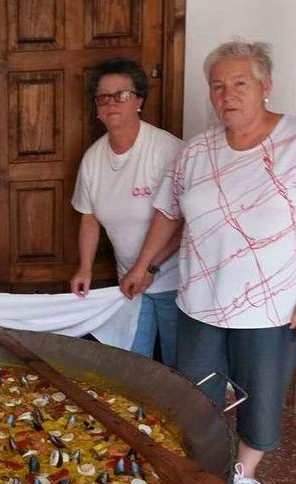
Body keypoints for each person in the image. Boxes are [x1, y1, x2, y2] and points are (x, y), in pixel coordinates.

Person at [120, 41, 296, 484]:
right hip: (200, 302)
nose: (228, 94)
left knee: (260, 396)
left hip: (273, 308)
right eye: (218, 86)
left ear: (266, 85)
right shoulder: (197, 150)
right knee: (195, 395)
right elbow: (169, 212)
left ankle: (242, 475)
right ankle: (203, 468)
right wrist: (143, 265)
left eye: (239, 83)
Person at [69, 58, 183, 366]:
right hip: (130, 284)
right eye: (103, 97)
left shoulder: (167, 150)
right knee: (135, 364)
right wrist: (85, 268)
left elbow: (183, 220)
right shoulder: (93, 159)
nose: (111, 103)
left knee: (181, 368)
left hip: (175, 279)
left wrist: (149, 267)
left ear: (139, 100)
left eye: (121, 95)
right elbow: (89, 218)